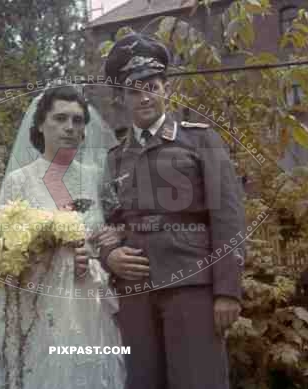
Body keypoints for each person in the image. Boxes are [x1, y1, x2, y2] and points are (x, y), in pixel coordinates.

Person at [99, 33, 246, 389]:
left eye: (152, 85)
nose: (144, 96)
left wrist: (227, 290)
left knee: (198, 381)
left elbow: (228, 217)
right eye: (134, 90)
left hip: (191, 285)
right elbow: (107, 224)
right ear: (123, 98)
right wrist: (109, 255)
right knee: (143, 381)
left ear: (167, 88)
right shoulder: (115, 156)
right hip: (135, 290)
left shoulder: (200, 140)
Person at [0, 84, 125, 389]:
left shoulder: (94, 176)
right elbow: (3, 256)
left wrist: (101, 248)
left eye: (77, 120)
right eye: (60, 118)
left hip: (87, 305)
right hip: (37, 307)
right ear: (40, 124)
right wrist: (48, 251)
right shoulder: (20, 181)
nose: (69, 127)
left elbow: (111, 232)